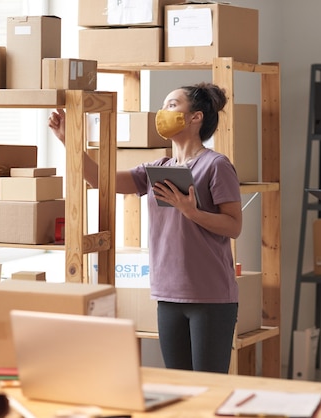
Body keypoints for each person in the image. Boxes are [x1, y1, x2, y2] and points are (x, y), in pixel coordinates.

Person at [48, 82, 242, 373]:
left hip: (211, 296)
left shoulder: (216, 165)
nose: (163, 112)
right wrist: (69, 142)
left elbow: (234, 225)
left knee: (207, 388)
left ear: (195, 117)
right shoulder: (157, 168)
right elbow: (102, 180)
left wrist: (191, 211)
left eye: (172, 105)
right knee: (178, 388)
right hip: (167, 293)